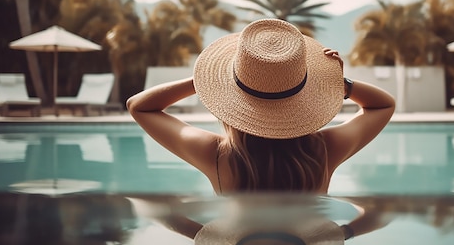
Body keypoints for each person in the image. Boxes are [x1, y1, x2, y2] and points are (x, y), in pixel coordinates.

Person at [127, 18, 395, 241]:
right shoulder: (325, 149)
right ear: (305, 96)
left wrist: (201, 80)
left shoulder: (216, 154)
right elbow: (382, 106)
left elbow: (139, 106)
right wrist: (343, 84)